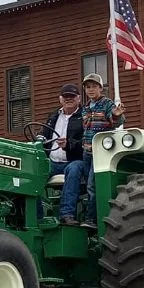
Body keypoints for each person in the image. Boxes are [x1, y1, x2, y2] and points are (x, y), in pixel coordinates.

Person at [80, 73, 126, 229]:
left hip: (100, 152)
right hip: (86, 151)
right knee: (87, 185)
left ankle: (92, 219)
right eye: (88, 87)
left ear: (101, 88)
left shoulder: (107, 103)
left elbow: (116, 122)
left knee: (93, 185)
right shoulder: (85, 107)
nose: (91, 90)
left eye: (94, 86)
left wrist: (116, 115)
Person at [38, 83, 85, 225]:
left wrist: (69, 145)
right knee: (34, 173)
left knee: (74, 169)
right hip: (52, 161)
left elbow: (88, 142)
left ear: (78, 98)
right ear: (60, 99)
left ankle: (66, 214)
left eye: (72, 96)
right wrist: (39, 139)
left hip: (74, 160)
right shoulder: (53, 117)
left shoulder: (84, 118)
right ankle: (36, 216)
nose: (68, 99)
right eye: (65, 97)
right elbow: (44, 135)